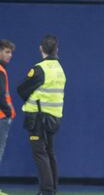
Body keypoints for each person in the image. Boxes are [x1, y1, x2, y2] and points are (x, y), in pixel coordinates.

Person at [17, 35, 66, 195]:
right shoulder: (60, 69)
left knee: (40, 154)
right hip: (54, 118)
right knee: (50, 152)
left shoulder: (39, 69)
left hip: (38, 117)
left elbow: (22, 89)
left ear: (41, 48)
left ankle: (46, 191)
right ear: (56, 49)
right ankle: (52, 189)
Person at [0, 40, 16, 195]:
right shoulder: (0, 70)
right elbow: (1, 96)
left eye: (10, 52)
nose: (10, 55)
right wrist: (9, 112)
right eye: (7, 51)